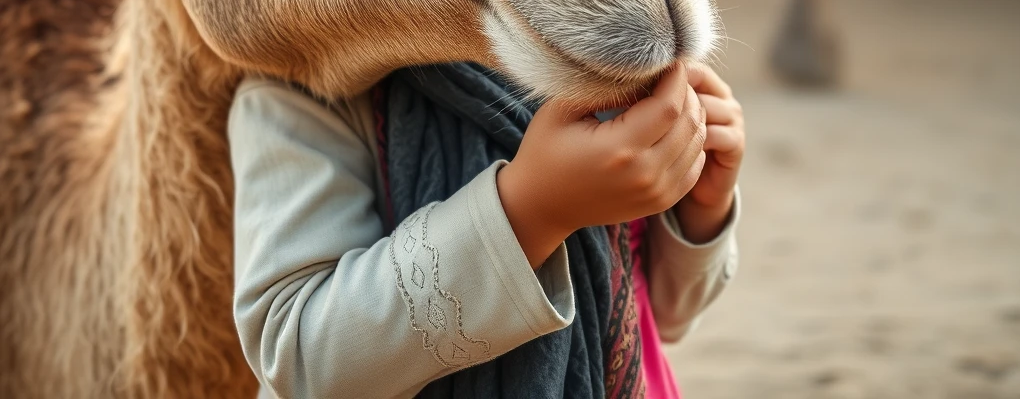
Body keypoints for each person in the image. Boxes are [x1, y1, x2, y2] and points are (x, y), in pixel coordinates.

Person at [230, 60, 745, 399]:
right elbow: (297, 356)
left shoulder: (581, 48)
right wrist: (532, 209)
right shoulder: (302, 88)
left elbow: (665, 317)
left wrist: (703, 209)